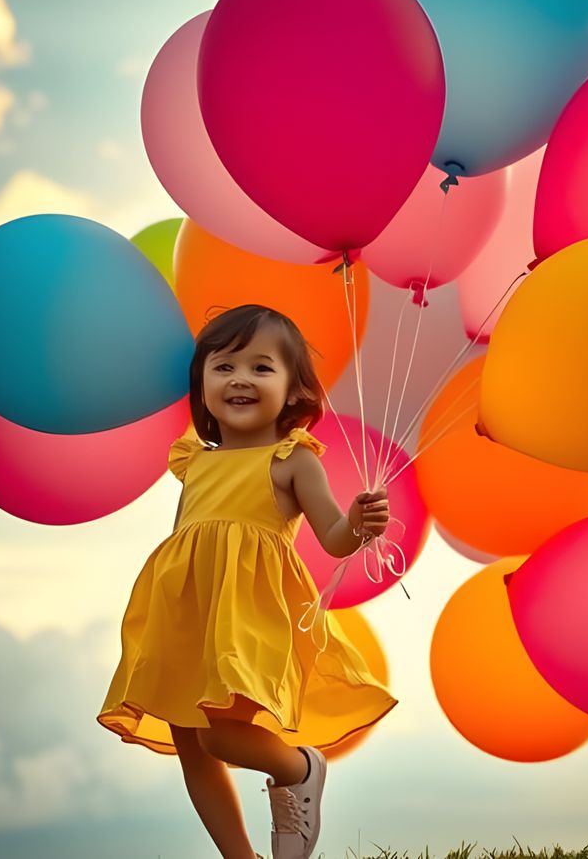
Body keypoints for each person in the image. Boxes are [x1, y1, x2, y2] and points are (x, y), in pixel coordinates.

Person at [97, 304, 400, 859]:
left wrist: (358, 523)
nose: (240, 379)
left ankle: (299, 767)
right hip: (187, 611)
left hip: (247, 613)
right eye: (224, 366)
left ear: (291, 392)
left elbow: (332, 537)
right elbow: (186, 543)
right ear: (203, 384)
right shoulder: (194, 463)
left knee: (220, 731)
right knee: (193, 745)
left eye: (262, 368)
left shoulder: (291, 460)